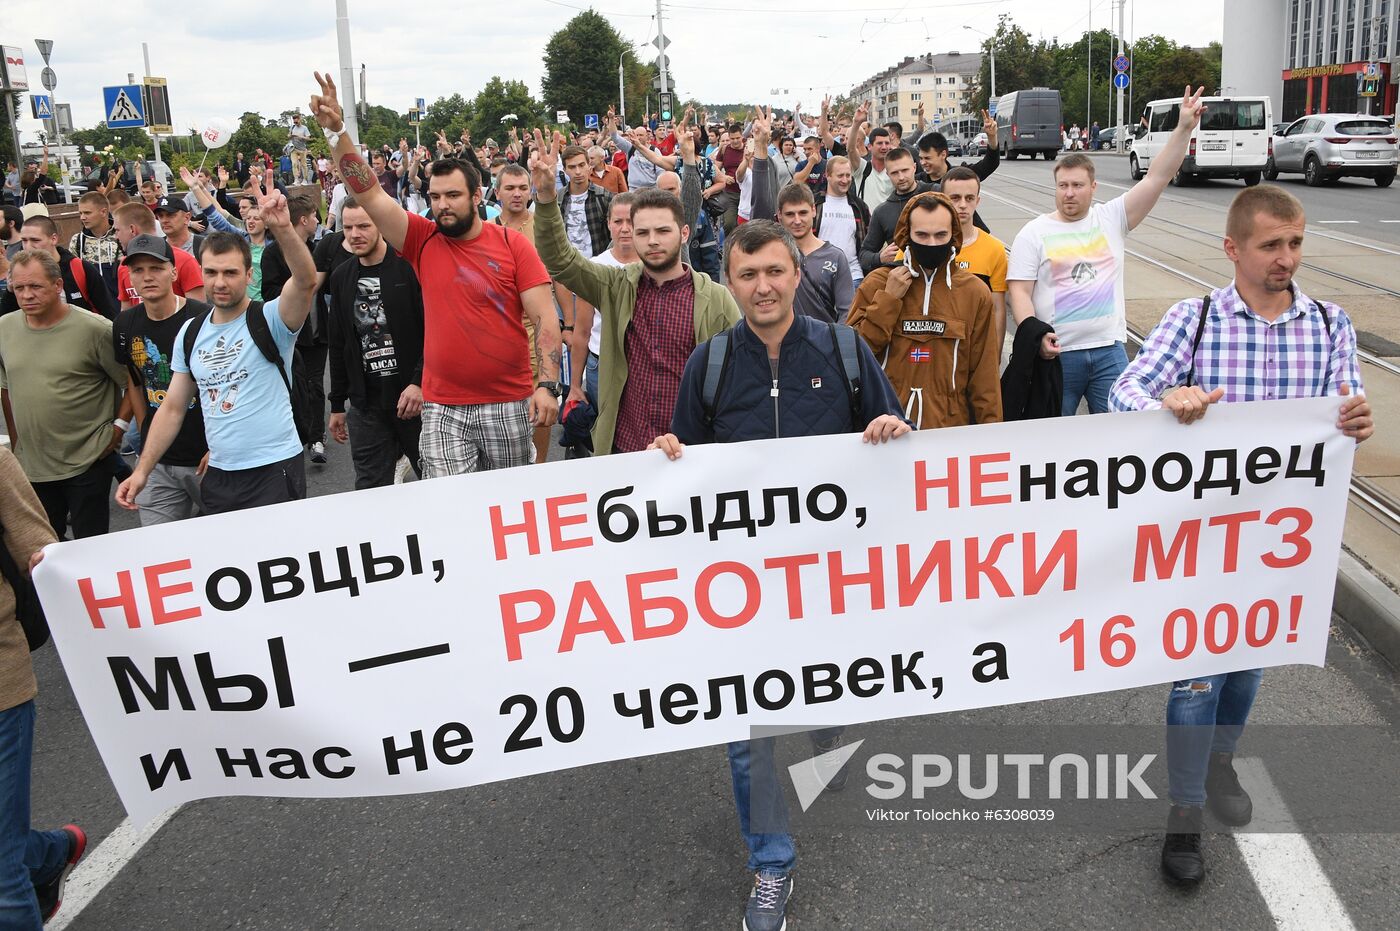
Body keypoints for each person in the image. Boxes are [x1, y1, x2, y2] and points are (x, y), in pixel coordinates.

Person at [1109, 183, 1374, 885]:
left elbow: (1344, 402)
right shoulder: (1194, 320)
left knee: (1249, 662)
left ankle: (1221, 759)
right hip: (1199, 538)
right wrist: (1169, 399)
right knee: (1196, 675)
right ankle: (1185, 810)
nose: (1287, 258)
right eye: (1271, 245)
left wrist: (1354, 420)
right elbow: (1122, 394)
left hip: (1280, 539)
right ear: (1234, 249)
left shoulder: (1329, 323)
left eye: (1295, 244)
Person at [649, 220, 910, 931]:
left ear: (797, 273)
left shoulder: (846, 350)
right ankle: (772, 862)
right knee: (750, 731)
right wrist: (670, 453)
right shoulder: (708, 365)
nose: (762, 286)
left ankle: (828, 731)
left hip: (828, 583)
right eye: (747, 274)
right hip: (741, 592)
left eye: (774, 271)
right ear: (728, 282)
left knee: (824, 693)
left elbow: (894, 444)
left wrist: (890, 432)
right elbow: (685, 477)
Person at [310, 72, 560, 475]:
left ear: (478, 197)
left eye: (453, 196)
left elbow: (545, 318)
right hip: (443, 407)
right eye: (435, 196)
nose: (442, 204)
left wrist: (547, 384)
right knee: (451, 511)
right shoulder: (421, 239)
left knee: (507, 507)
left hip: (507, 401)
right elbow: (368, 192)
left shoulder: (514, 246)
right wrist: (337, 131)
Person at [530, 127, 737, 456]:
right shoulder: (614, 285)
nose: (652, 240)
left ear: (684, 234)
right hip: (625, 451)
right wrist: (544, 198)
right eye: (643, 232)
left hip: (692, 454)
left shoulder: (716, 300)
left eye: (662, 230)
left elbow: (738, 378)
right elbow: (560, 261)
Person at [116, 182, 319, 515]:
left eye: (230, 273)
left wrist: (282, 228)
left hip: (274, 466)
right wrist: (142, 470)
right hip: (220, 474)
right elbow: (172, 408)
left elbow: (305, 281)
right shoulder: (191, 333)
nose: (220, 282)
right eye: (210, 272)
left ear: (248, 274)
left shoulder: (270, 318)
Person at [1009, 87, 1208, 415]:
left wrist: (1184, 128)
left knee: (1119, 434)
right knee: (1054, 437)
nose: (1069, 193)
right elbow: (1019, 292)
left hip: (1109, 352)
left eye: (1077, 186)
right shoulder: (1034, 232)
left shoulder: (1112, 217)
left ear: (1093, 187)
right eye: (1062, 186)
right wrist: (1035, 336)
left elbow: (1157, 177)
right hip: (1059, 353)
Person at [0, 443, 86, 928]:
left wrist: (47, 562)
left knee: (1, 872)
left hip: (2, 687)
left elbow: (40, 549)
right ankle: (52, 852)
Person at [0, 251, 132, 539]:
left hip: (88, 460)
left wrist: (118, 430)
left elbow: (132, 383)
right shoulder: (4, 328)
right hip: (32, 465)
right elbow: (7, 389)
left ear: (58, 285)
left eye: (35, 286)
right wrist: (18, 447)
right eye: (19, 288)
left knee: (90, 550)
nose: (26, 295)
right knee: (44, 550)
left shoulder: (95, 329)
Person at [847, 192, 1002, 429]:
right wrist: (888, 300)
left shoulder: (974, 293)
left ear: (954, 235)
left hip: (948, 431)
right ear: (906, 234)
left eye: (940, 235)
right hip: (884, 428)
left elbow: (985, 378)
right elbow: (854, 356)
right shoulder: (878, 283)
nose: (931, 244)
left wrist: (991, 435)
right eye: (921, 235)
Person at [111, 235, 210, 525]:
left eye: (156, 268)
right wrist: (144, 432)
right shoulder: (125, 324)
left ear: (174, 272)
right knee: (160, 546)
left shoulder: (202, 318)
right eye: (138, 270)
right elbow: (136, 382)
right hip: (158, 460)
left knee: (225, 543)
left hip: (209, 458)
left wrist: (217, 445)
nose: (147, 277)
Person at [326, 198, 425, 488]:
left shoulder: (408, 268)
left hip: (416, 402)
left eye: (363, 226)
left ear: (380, 225)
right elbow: (339, 341)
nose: (355, 234)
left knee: (436, 484)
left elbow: (433, 330)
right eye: (348, 227)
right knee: (370, 491)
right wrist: (336, 405)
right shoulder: (342, 276)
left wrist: (419, 382)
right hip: (367, 406)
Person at [569, 193, 637, 414]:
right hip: (601, 363)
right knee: (605, 435)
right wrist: (575, 385)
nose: (624, 228)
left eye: (631, 221)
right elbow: (582, 331)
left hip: (642, 364)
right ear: (608, 224)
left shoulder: (654, 264)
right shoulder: (594, 267)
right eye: (618, 221)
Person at [941, 167, 1009, 347]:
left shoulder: (994, 249)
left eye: (969, 198)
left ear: (977, 201)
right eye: (955, 198)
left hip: (976, 345)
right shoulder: (921, 244)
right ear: (942, 200)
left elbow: (998, 309)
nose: (963, 204)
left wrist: (995, 357)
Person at [0, 217, 118, 321]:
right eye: (24, 240)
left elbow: (108, 311)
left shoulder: (79, 268)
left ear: (54, 239)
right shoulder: (19, 271)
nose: (28, 246)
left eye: (35, 240)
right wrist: (11, 292)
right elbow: (7, 320)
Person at [775, 183, 853, 323]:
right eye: (790, 214)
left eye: (803, 213)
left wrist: (836, 341)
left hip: (825, 341)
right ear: (779, 215)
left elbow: (847, 311)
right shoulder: (772, 256)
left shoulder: (835, 257)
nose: (797, 221)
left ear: (813, 210)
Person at [112, 203, 205, 308]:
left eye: (117, 230)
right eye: (137, 270)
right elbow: (126, 312)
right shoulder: (125, 264)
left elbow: (198, 312)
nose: (116, 236)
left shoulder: (184, 260)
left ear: (132, 229)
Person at [69, 192, 122, 299]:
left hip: (119, 305)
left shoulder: (121, 236)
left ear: (103, 212)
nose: (82, 217)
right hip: (92, 308)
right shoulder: (77, 241)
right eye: (80, 213)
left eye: (87, 213)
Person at [154, 196, 205, 260]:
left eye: (170, 215)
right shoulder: (155, 248)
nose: (164, 220)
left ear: (186, 218)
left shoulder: (204, 246)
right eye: (160, 216)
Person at [289, 114, 313, 185]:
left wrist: (301, 137)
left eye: (296, 121)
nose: (295, 123)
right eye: (294, 121)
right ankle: (296, 179)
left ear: (300, 119)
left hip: (302, 149)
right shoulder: (292, 127)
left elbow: (308, 138)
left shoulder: (304, 128)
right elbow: (288, 135)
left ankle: (305, 179)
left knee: (303, 164)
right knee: (294, 164)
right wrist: (290, 136)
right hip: (294, 148)